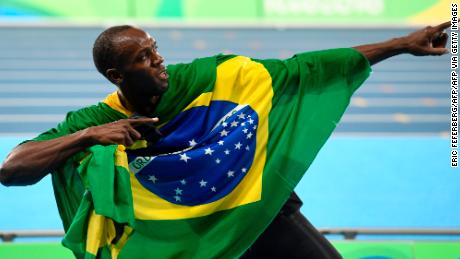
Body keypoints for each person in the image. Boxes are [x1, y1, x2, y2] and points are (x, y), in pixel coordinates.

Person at [0, 22, 450, 258]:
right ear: (117, 75)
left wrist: (401, 44)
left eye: (155, 48)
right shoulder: (95, 118)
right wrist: (88, 136)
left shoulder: (203, 77)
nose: (160, 62)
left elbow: (300, 69)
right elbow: (12, 168)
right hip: (185, 238)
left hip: (259, 214)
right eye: (144, 58)